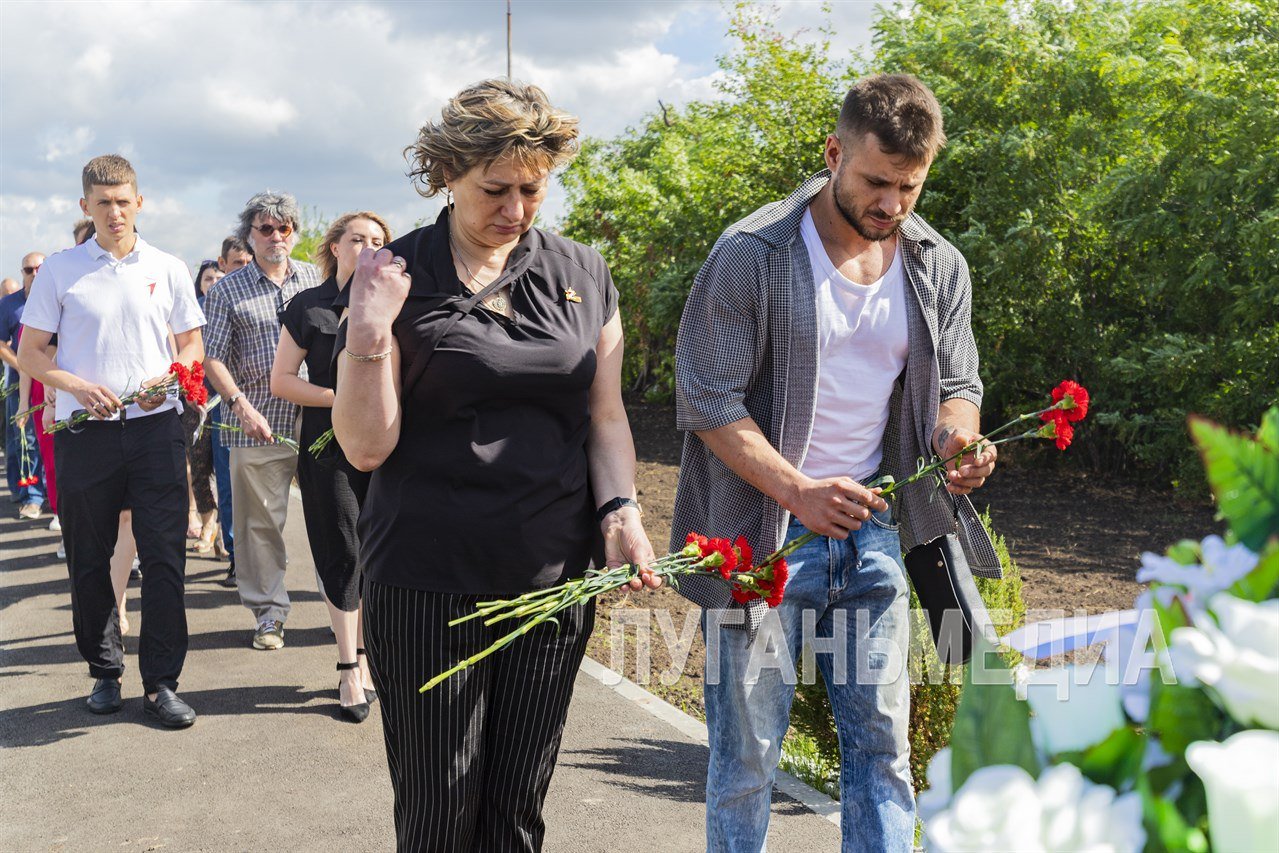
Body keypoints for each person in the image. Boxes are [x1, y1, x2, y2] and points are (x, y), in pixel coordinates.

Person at [670, 74, 1001, 852]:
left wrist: (958, 437)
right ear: (832, 154)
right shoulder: (750, 254)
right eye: (875, 182)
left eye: (909, 187)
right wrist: (798, 490)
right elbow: (707, 397)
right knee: (747, 755)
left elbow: (958, 384)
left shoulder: (935, 264)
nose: (891, 205)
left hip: (876, 529)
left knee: (881, 745)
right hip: (764, 540)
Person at [333, 79, 659, 851]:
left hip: (550, 578)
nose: (514, 208)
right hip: (425, 578)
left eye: (532, 189)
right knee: (439, 814)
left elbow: (604, 416)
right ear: (447, 173)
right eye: (495, 189)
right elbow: (365, 447)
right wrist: (369, 334)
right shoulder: (393, 275)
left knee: (515, 808)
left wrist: (621, 510)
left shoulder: (582, 272)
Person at [17, 153, 205, 728]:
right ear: (85, 207)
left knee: (166, 558)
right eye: (103, 203)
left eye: (124, 201)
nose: (115, 212)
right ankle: (104, 671)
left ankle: (162, 684)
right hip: (86, 436)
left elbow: (192, 349)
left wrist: (169, 381)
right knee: (89, 559)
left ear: (139, 202)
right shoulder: (60, 270)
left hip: (155, 431)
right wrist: (74, 384)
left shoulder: (169, 267)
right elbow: (30, 354)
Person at [271, 211, 390, 722]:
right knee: (341, 547)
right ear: (335, 247)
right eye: (357, 239)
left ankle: (372, 658)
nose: (367, 248)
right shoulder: (308, 305)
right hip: (327, 446)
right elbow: (281, 380)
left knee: (380, 551)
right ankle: (349, 667)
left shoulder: (396, 304)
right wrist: (339, 399)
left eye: (378, 241)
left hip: (387, 445)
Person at [203, 192, 320, 649]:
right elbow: (212, 358)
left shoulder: (314, 279)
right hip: (256, 422)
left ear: (295, 233)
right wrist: (239, 406)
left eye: (284, 228)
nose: (275, 236)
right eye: (265, 229)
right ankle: (269, 613)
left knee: (335, 516)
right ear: (249, 236)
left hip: (316, 418)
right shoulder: (228, 290)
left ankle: (344, 608)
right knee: (259, 526)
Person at [209, 235, 252, 585]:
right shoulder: (218, 298)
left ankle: (263, 557)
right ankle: (238, 555)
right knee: (229, 485)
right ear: (223, 264)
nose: (245, 268)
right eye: (238, 263)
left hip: (273, 406)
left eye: (249, 262)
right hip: (226, 406)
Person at [1, 252, 48, 519]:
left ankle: (49, 493)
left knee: (48, 440)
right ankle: (30, 496)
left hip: (52, 382)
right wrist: (21, 364)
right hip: (19, 383)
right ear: (23, 273)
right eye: (29, 270)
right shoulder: (10, 304)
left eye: (39, 268)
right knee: (23, 441)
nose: (34, 274)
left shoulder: (55, 300)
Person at [182, 259, 223, 555]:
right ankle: (207, 522)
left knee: (225, 469)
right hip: (194, 398)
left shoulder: (230, 307)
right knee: (197, 465)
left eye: (218, 278)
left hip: (225, 398)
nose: (213, 283)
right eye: (208, 278)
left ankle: (223, 531)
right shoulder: (190, 311)